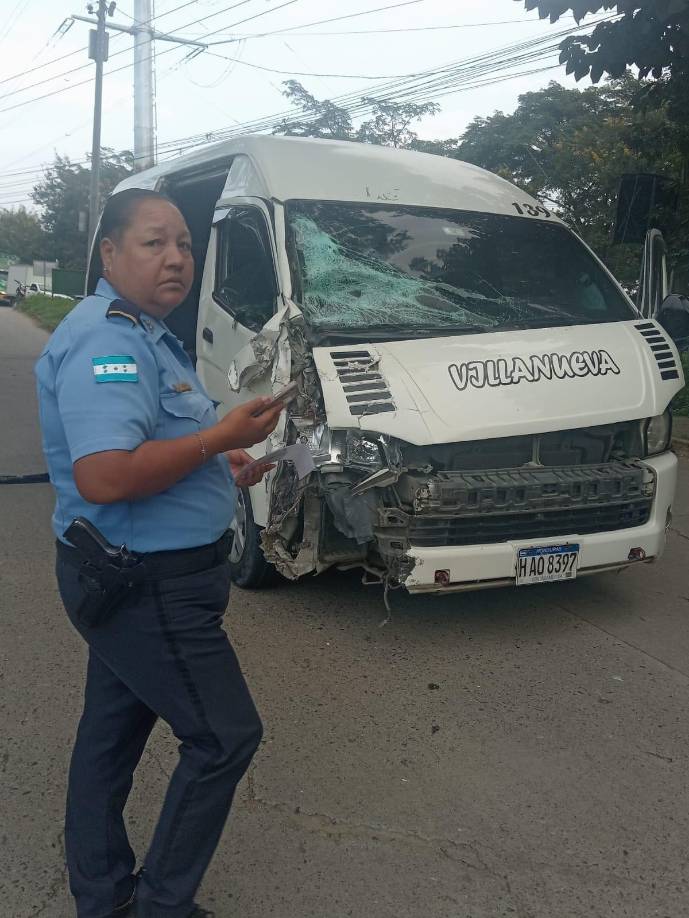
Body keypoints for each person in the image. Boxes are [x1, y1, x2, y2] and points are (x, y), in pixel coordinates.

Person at [35, 188, 283, 918]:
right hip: (145, 589)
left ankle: (103, 900)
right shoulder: (107, 341)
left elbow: (156, 442)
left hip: (141, 579)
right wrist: (216, 440)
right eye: (154, 242)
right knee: (225, 738)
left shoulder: (148, 333)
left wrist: (221, 461)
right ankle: (160, 908)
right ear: (109, 254)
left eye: (183, 242)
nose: (176, 257)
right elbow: (106, 476)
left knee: (109, 738)